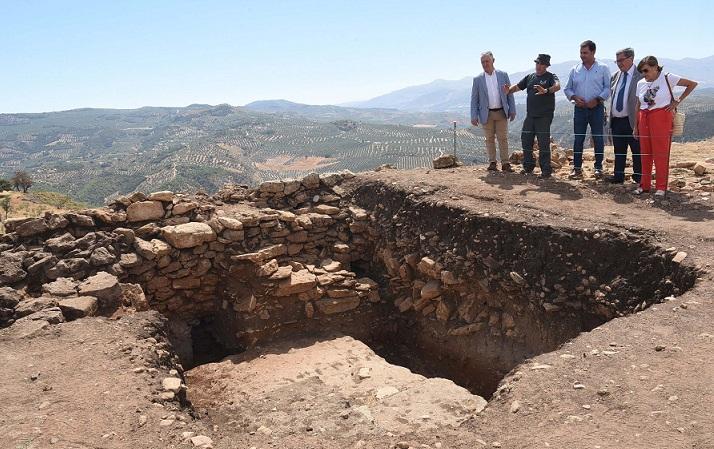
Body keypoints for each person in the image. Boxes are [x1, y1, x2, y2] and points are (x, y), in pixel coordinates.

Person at [634, 56, 698, 197]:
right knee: (645, 153)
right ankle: (644, 185)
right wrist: (635, 125)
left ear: (655, 67)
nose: (644, 74)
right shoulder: (640, 83)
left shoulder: (668, 77)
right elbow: (638, 104)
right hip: (643, 117)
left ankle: (661, 187)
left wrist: (677, 101)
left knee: (661, 153)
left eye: (646, 70)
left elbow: (692, 84)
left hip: (661, 116)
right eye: (642, 71)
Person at [504, 54, 560, 179]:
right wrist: (509, 90)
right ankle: (528, 167)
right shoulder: (530, 77)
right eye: (537, 63)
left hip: (544, 116)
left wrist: (546, 91)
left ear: (546, 66)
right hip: (530, 115)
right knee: (526, 139)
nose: (538, 66)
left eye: (541, 64)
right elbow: (518, 87)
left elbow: (557, 86)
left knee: (543, 142)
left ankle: (546, 170)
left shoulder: (551, 77)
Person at [563, 40, 611, 179]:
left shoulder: (603, 68)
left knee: (598, 138)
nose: (582, 56)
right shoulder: (575, 69)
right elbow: (567, 88)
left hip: (597, 108)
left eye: (585, 53)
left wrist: (597, 100)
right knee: (578, 139)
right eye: (581, 53)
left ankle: (598, 168)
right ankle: (577, 168)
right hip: (579, 109)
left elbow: (608, 88)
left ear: (593, 52)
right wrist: (574, 97)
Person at [471, 51, 517, 172]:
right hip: (486, 114)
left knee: (503, 138)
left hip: (502, 112)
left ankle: (505, 163)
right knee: (489, 139)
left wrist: (512, 109)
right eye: (482, 62)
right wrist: (473, 115)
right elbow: (474, 99)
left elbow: (510, 93)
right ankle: (492, 162)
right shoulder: (477, 79)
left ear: (493, 61)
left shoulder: (503, 75)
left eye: (487, 61)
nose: (485, 64)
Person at [607, 48, 642, 184]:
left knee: (637, 150)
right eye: (617, 61)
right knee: (619, 151)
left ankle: (638, 177)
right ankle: (618, 176)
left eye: (621, 60)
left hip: (633, 120)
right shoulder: (615, 76)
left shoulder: (640, 75)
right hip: (617, 121)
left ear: (631, 58)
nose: (619, 63)